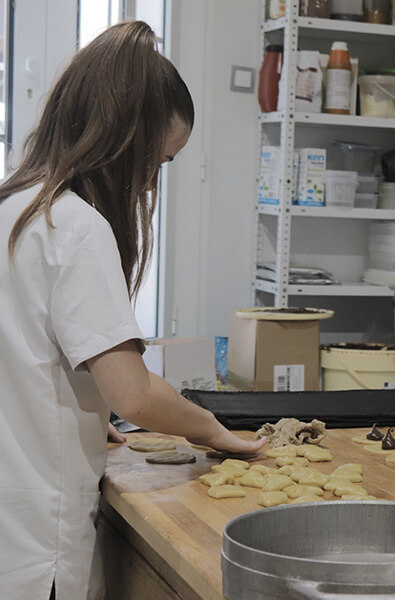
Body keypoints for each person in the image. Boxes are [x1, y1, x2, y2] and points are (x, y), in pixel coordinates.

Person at [0, 22, 265, 599]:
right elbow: (135, 394)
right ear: (123, 142)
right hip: (37, 544)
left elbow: (24, 358)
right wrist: (216, 431)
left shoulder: (13, 206)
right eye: (160, 162)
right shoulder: (75, 227)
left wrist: (80, 417)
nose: (150, 185)